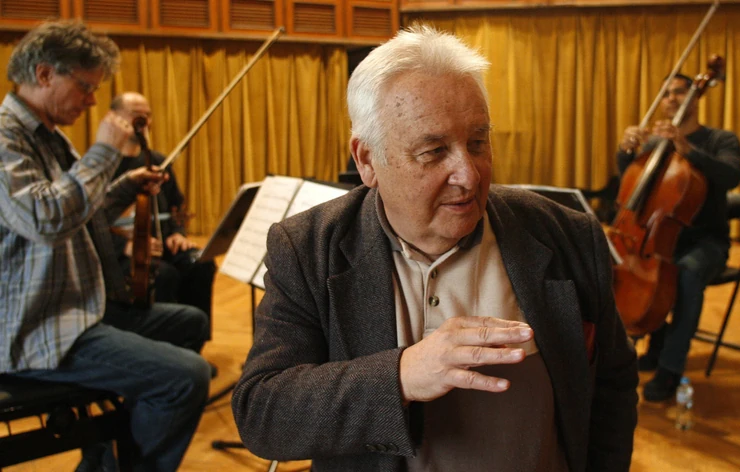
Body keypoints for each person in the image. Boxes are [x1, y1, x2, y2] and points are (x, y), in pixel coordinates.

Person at [233, 25, 638, 471]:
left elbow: (613, 388)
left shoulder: (568, 235)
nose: (469, 174)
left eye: (478, 142)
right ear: (367, 160)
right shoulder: (308, 247)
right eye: (433, 151)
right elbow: (262, 414)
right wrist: (402, 376)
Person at [0, 20, 210, 471]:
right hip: (34, 329)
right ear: (44, 74)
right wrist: (104, 154)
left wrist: (123, 187)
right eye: (85, 87)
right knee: (185, 377)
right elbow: (45, 219)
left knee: (189, 323)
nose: (92, 100)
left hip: (75, 309)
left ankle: (104, 454)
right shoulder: (5, 139)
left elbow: (80, 211)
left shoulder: (47, 136)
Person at [616, 73, 740, 401]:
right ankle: (648, 347)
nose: (671, 98)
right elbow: (632, 186)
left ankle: (670, 368)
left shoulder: (719, 139)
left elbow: (732, 176)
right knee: (630, 268)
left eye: (678, 92)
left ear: (695, 97)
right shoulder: (655, 145)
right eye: (666, 93)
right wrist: (626, 152)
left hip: (706, 242)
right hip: (655, 240)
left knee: (686, 274)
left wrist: (688, 150)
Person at [109, 92, 217, 329]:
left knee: (201, 264)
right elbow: (91, 223)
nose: (144, 122)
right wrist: (126, 246)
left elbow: (177, 205)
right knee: (164, 275)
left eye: (148, 116)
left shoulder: (157, 160)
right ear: (114, 118)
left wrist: (177, 233)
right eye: (137, 115)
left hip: (162, 245)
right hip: (122, 252)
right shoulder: (104, 166)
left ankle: (195, 335)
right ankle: (163, 335)